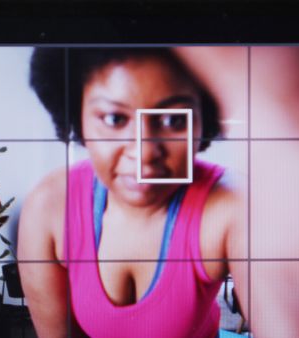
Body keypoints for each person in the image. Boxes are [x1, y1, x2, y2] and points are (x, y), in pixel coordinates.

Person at [18, 48, 248, 338]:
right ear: (79, 116)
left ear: (204, 119)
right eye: (115, 119)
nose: (144, 154)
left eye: (173, 121)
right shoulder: (48, 209)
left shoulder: (232, 207)